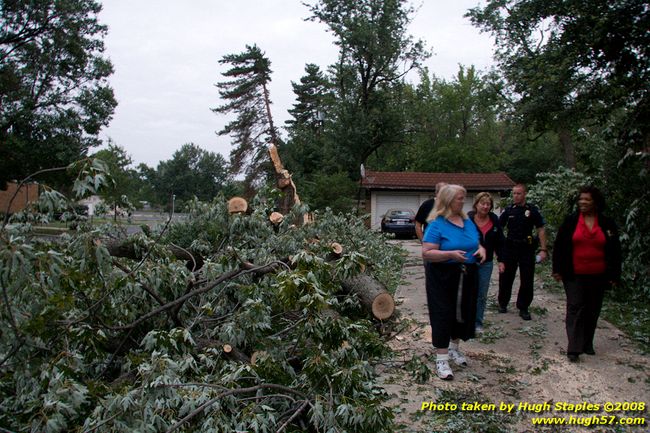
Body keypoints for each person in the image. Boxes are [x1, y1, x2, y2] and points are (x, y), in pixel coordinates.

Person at [422, 184, 486, 380]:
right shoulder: (437, 224)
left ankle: (454, 348)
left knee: (463, 312)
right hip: (443, 275)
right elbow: (427, 253)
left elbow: (476, 242)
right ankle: (441, 359)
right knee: (444, 313)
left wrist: (481, 249)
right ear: (449, 200)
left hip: (467, 274)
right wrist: (449, 254)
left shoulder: (467, 221)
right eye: (460, 198)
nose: (463, 201)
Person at [552, 186, 621, 363]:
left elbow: (615, 250)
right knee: (575, 306)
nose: (582, 202)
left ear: (595, 203)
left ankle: (587, 342)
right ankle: (574, 348)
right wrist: (557, 269)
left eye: (587, 200)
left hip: (598, 274)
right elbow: (560, 245)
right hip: (573, 273)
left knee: (592, 308)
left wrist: (614, 274)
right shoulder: (571, 221)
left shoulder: (606, 223)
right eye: (580, 199)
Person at [497, 183, 547, 320]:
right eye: (514, 193)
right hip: (510, 247)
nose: (516, 196)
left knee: (527, 278)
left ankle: (523, 307)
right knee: (506, 277)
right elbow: (498, 227)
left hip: (526, 248)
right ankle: (503, 303)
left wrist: (543, 249)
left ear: (525, 194)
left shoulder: (532, 210)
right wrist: (499, 247)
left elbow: (541, 228)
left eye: (518, 193)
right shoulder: (508, 210)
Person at [468, 192, 504, 333]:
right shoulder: (468, 220)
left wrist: (501, 260)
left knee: (481, 294)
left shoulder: (495, 221)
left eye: (488, 204)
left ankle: (478, 322)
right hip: (469, 262)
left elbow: (500, 243)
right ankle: (467, 321)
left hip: (486, 263)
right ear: (476, 204)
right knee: (468, 292)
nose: (485, 206)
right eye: (482, 203)